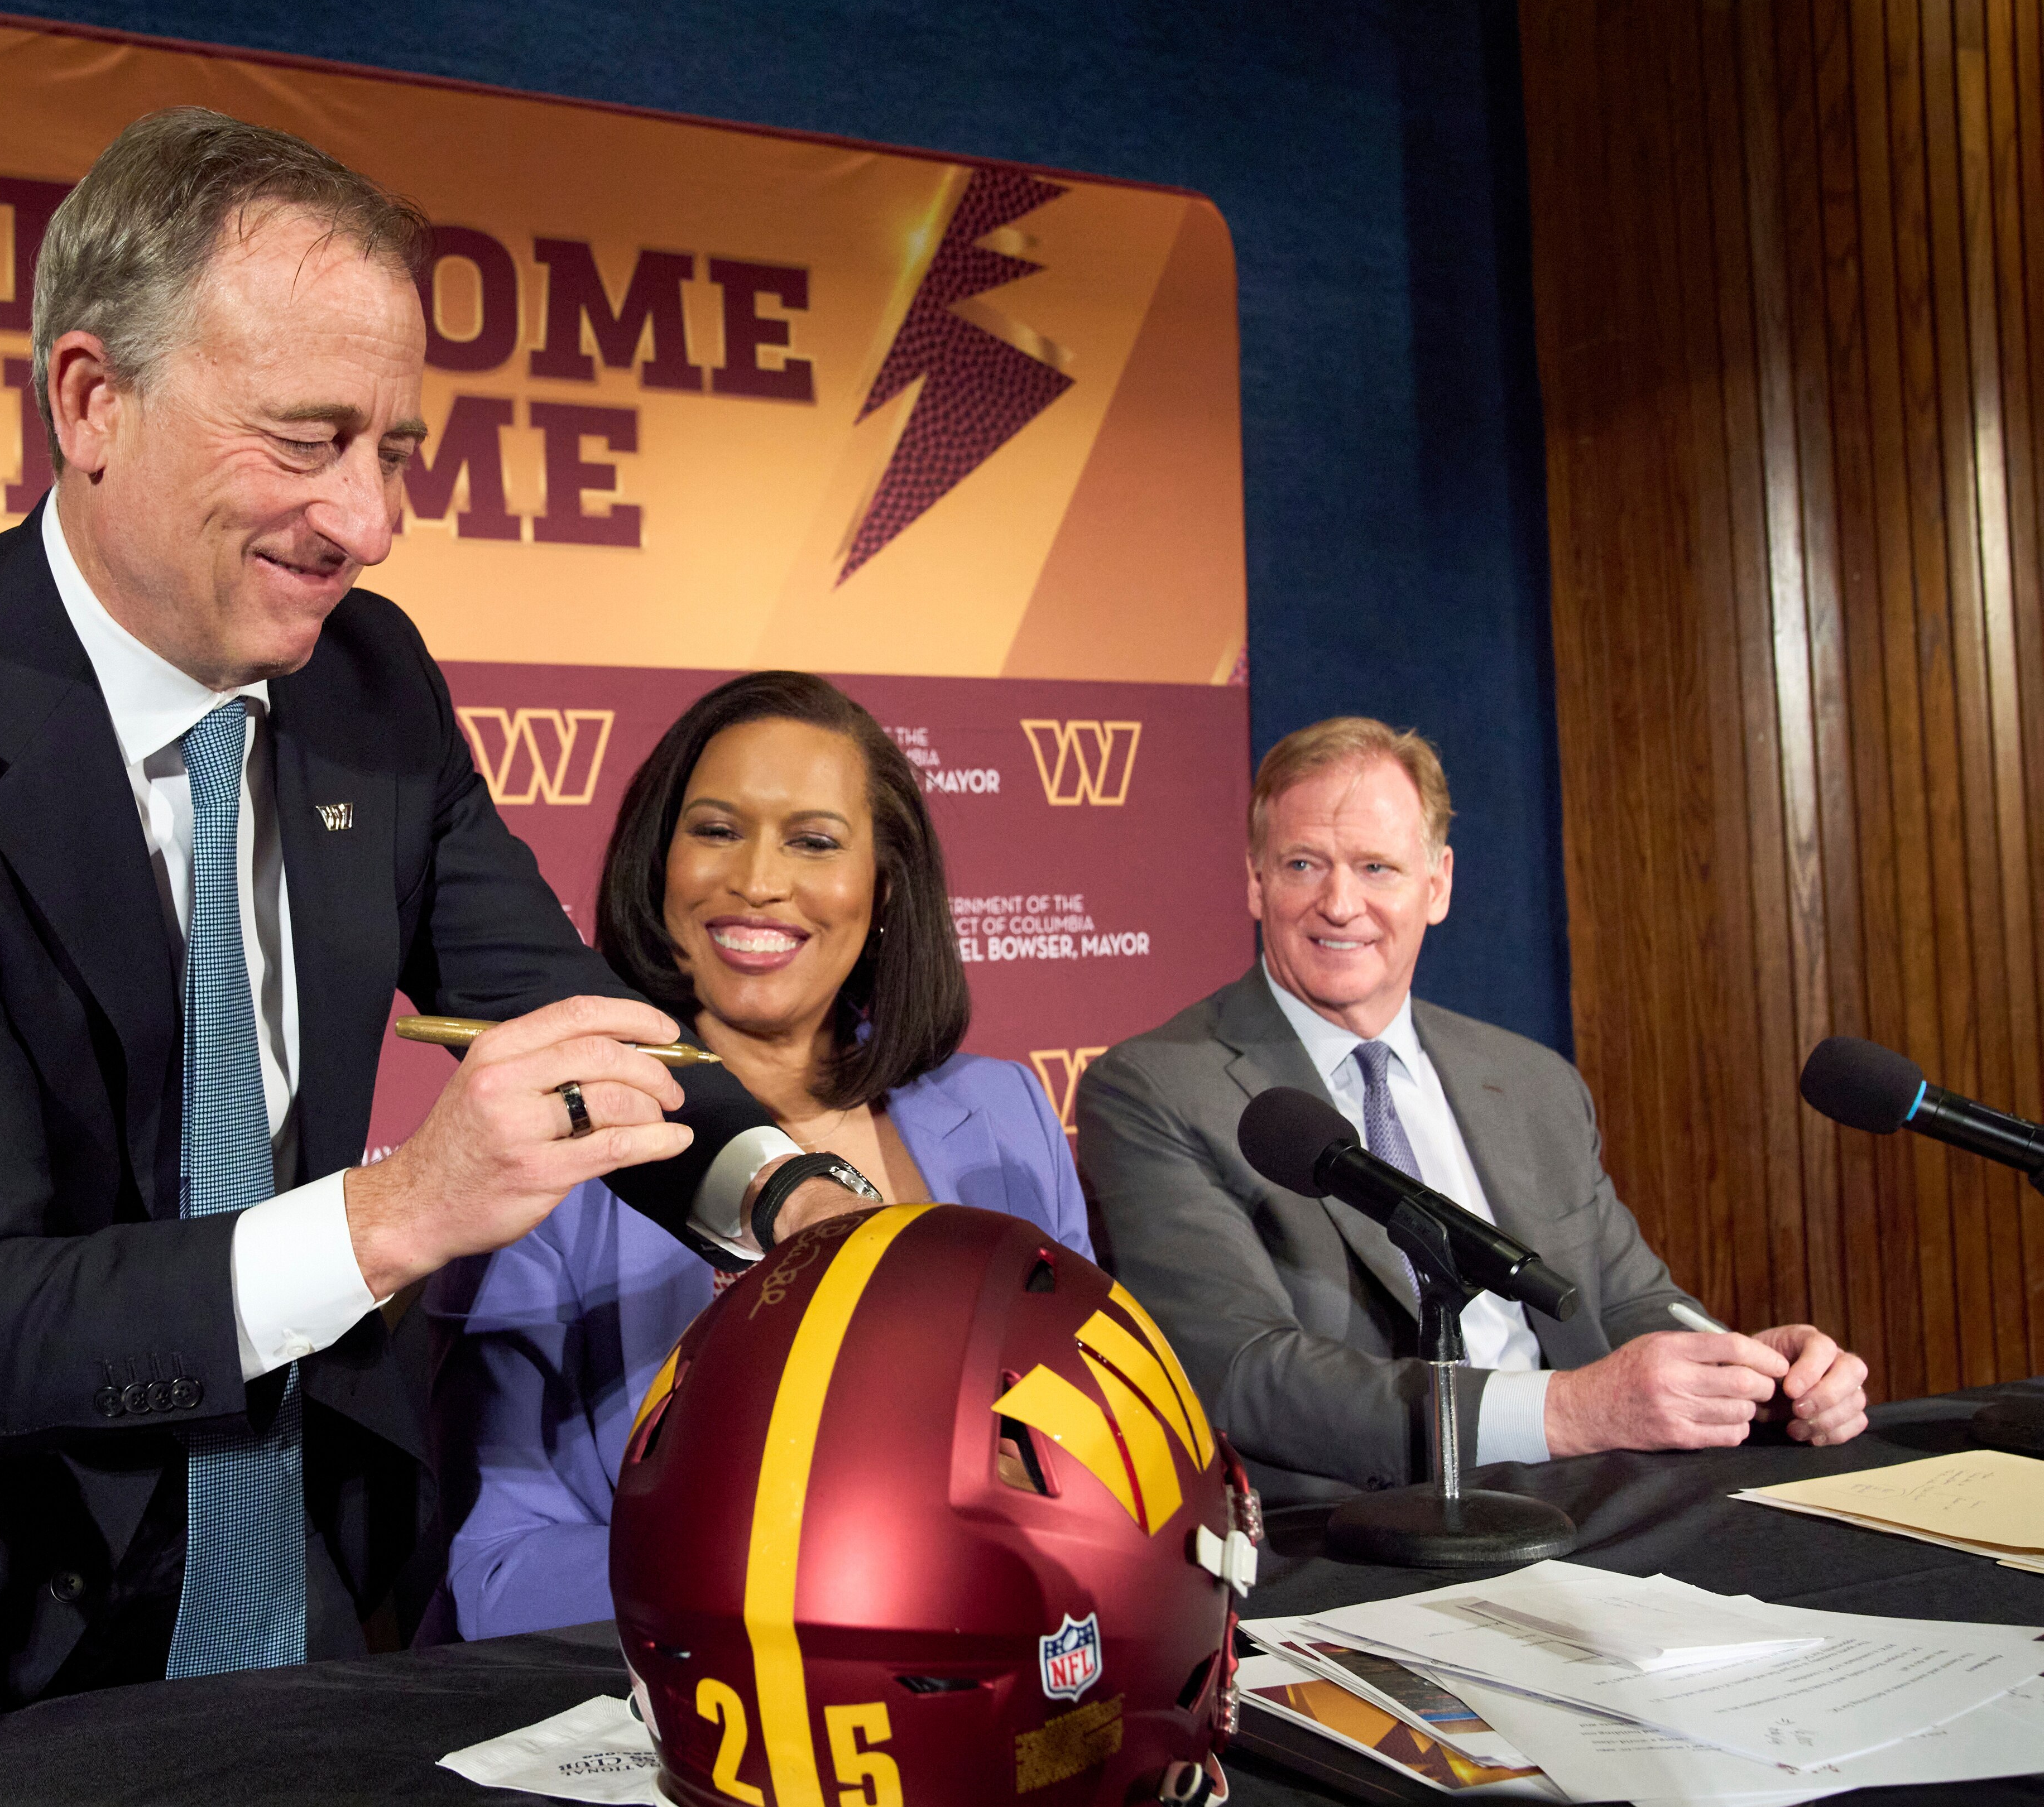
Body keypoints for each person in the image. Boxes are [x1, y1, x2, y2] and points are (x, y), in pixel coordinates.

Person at [0, 110, 864, 1742]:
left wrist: (792, 1197)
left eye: (398, 448)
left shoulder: (369, 677)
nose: (368, 521)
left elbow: (562, 1011)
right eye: (307, 438)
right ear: (92, 399)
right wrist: (404, 1206)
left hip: (299, 1565)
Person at [430, 672, 1093, 1636]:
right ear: (657, 865)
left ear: (884, 884)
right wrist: (812, 1566)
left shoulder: (1007, 1114)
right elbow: (496, 1576)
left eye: (814, 841)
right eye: (715, 830)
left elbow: (1091, 1450)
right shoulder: (554, 1141)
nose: (757, 881)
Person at [1077, 717, 1867, 1506]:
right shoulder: (1157, 1087)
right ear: (1256, 881)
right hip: (1365, 1533)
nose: (1340, 903)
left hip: (1599, 1496)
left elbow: (1626, 1299)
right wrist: (1571, 1411)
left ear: (1438, 884)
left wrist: (1750, 1370)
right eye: (1303, 864)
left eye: (1377, 866)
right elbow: (1248, 1373)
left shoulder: (1532, 1080)